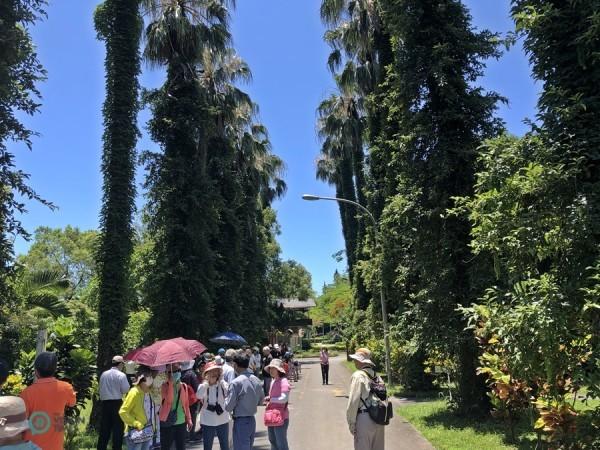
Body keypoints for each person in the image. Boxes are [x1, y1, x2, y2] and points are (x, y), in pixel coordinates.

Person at [20, 352, 76, 450]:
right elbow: (72, 403)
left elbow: (21, 420)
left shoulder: (26, 393)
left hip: (32, 445)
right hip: (55, 445)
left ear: (36, 371)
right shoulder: (66, 387)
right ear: (54, 369)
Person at [224, 353, 264, 450]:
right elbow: (261, 400)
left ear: (236, 365)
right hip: (251, 420)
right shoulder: (256, 380)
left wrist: (225, 399)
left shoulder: (236, 383)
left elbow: (228, 406)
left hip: (241, 421)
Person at [346, 348, 384, 450]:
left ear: (360, 361)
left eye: (355, 359)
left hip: (364, 419)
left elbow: (353, 401)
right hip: (379, 419)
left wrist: (351, 423)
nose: (354, 361)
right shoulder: (377, 377)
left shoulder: (358, 376)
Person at [97, 355, 131, 450]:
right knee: (118, 430)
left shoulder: (104, 374)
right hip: (117, 403)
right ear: (120, 364)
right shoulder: (121, 375)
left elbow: (100, 389)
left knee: (104, 430)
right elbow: (125, 390)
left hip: (105, 404)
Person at [119, 368, 156, 450]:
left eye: (151, 377)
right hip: (135, 432)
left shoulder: (148, 392)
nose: (151, 380)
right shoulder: (134, 392)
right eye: (149, 378)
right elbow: (123, 412)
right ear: (142, 381)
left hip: (147, 430)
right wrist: (136, 423)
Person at [195, 362, 230, 450]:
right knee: (207, 445)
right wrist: (206, 384)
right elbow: (198, 396)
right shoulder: (203, 386)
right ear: (206, 374)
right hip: (208, 419)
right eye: (211, 372)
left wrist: (222, 381)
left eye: (216, 371)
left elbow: (229, 393)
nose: (214, 374)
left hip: (222, 418)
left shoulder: (222, 384)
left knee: (225, 445)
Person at [159, 363, 193, 450]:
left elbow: (186, 405)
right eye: (175, 371)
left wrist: (189, 419)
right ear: (168, 373)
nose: (178, 372)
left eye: (179, 370)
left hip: (181, 421)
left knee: (181, 447)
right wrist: (170, 384)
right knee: (167, 447)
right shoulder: (163, 386)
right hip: (167, 421)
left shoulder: (183, 386)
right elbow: (169, 401)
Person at [263, 359, 290, 450]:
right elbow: (273, 396)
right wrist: (269, 398)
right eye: (270, 368)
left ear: (279, 370)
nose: (271, 370)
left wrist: (271, 399)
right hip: (272, 415)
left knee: (281, 442)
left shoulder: (284, 381)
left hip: (281, 416)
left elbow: (284, 398)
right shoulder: (273, 380)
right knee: (272, 441)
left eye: (273, 369)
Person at [181, 361, 200, 442]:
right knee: (192, 416)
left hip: (183, 398)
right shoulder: (191, 374)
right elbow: (196, 387)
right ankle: (191, 435)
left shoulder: (181, 373)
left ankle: (185, 435)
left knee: (185, 417)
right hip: (192, 400)